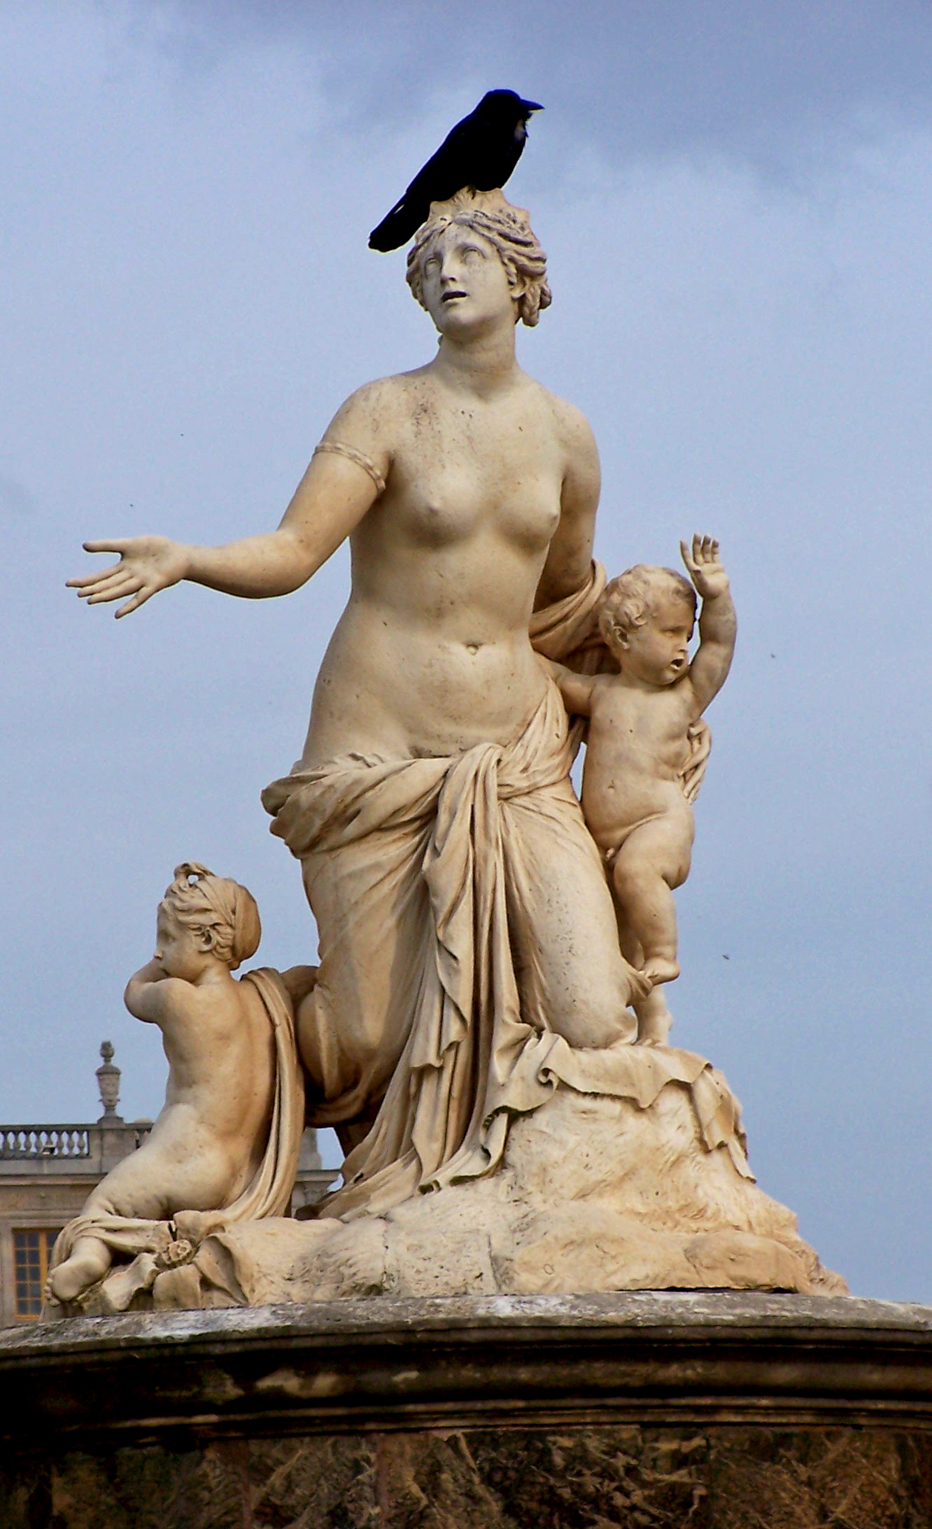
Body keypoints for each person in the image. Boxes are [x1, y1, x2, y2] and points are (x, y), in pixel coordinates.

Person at [68, 190, 707, 1221]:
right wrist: (187, 556)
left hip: (516, 755)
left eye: (469, 255)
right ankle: (242, 1040)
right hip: (377, 748)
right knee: (364, 1038)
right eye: (431, 261)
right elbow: (294, 552)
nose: (446, 272)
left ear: (521, 280)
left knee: (592, 1014)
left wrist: (665, 689)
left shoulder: (566, 436)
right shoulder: (384, 410)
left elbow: (566, 600)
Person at [47, 864, 274, 1304]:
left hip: (181, 1156)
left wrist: (157, 966)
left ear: (205, 939)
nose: (158, 951)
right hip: (240, 1175)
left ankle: (91, 1258)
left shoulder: (176, 997)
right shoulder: (261, 1004)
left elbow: (134, 992)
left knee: (102, 1210)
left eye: (167, 939)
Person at [550, 537, 736, 1044]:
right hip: (602, 840)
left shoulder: (684, 697)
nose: (683, 646)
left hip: (658, 826)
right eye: (671, 633)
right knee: (617, 941)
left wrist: (716, 597)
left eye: (687, 634)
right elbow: (552, 676)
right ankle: (653, 1020)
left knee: (637, 874)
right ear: (622, 637)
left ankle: (665, 954)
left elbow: (719, 648)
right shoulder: (601, 693)